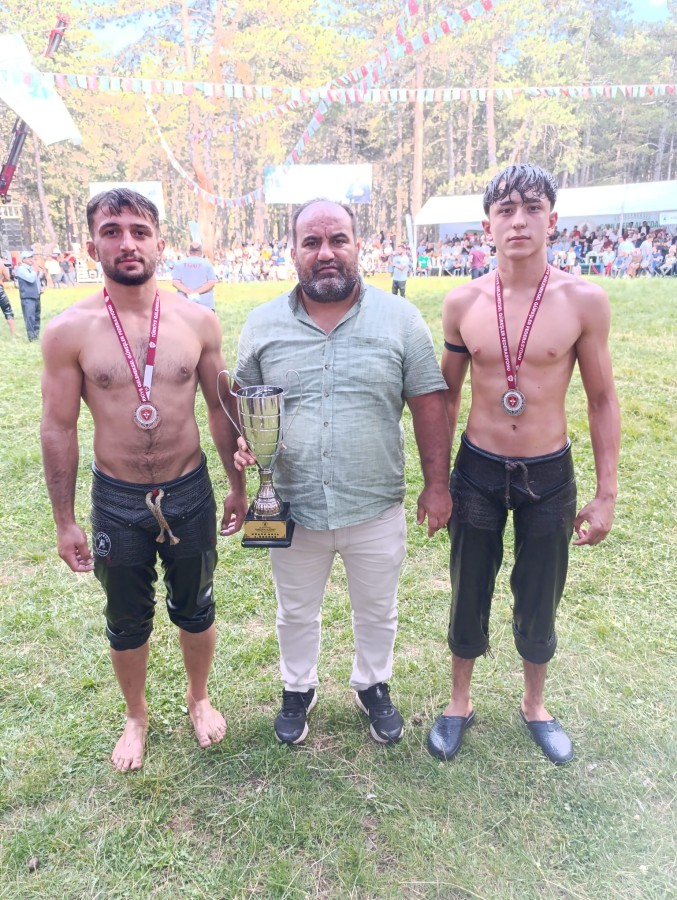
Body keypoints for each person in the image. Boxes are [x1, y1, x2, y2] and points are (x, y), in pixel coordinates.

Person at [40, 188, 247, 772]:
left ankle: (198, 697)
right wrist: (64, 521)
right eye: (112, 231)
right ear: (92, 247)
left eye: (139, 230)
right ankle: (136, 715)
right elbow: (58, 427)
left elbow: (220, 408)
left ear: (160, 243)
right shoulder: (68, 331)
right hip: (117, 499)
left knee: (196, 605)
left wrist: (236, 486)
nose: (127, 243)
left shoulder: (197, 321)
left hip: (189, 490)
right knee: (126, 619)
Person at [232, 198, 451, 747]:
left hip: (373, 502)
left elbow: (429, 403)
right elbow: (246, 405)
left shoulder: (400, 319)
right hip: (292, 503)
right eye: (312, 242)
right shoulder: (261, 325)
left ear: (358, 246)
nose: (325, 252)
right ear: (292, 252)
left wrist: (437, 485)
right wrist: (247, 445)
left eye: (337, 240)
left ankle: (372, 684)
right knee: (294, 611)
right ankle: (297, 688)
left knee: (377, 609)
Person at [428, 164, 620, 766]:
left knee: (541, 592)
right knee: (468, 586)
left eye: (532, 208)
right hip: (478, 469)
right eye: (505, 210)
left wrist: (606, 493)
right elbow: (447, 397)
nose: (518, 221)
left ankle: (535, 704)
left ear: (552, 220)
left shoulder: (583, 301)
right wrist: (437, 483)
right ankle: (459, 702)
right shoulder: (463, 302)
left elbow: (602, 400)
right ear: (487, 225)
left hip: (548, 474)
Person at [171, 241, 218, 311]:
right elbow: (211, 282)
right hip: (205, 304)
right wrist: (196, 292)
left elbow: (175, 282)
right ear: (201, 252)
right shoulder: (207, 264)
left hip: (183, 303)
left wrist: (188, 292)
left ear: (189, 252)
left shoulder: (179, 264)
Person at [14, 250, 42, 341]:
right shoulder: (21, 269)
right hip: (27, 297)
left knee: (37, 317)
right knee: (30, 318)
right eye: (29, 257)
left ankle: (36, 336)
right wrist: (35, 270)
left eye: (31, 257)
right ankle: (31, 337)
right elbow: (30, 279)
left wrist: (39, 288)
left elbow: (36, 280)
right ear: (23, 259)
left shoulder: (31, 269)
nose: (31, 259)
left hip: (35, 295)